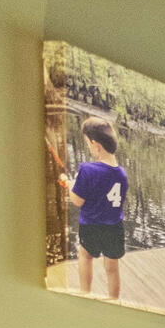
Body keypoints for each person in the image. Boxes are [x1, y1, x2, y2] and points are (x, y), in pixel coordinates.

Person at [60, 119, 127, 300]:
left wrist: (68, 184)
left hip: (91, 226)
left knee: (85, 255)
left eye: (88, 144)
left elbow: (77, 200)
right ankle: (113, 300)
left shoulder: (87, 170)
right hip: (114, 228)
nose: (88, 148)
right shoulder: (122, 174)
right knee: (112, 268)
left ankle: (85, 293)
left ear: (96, 145)